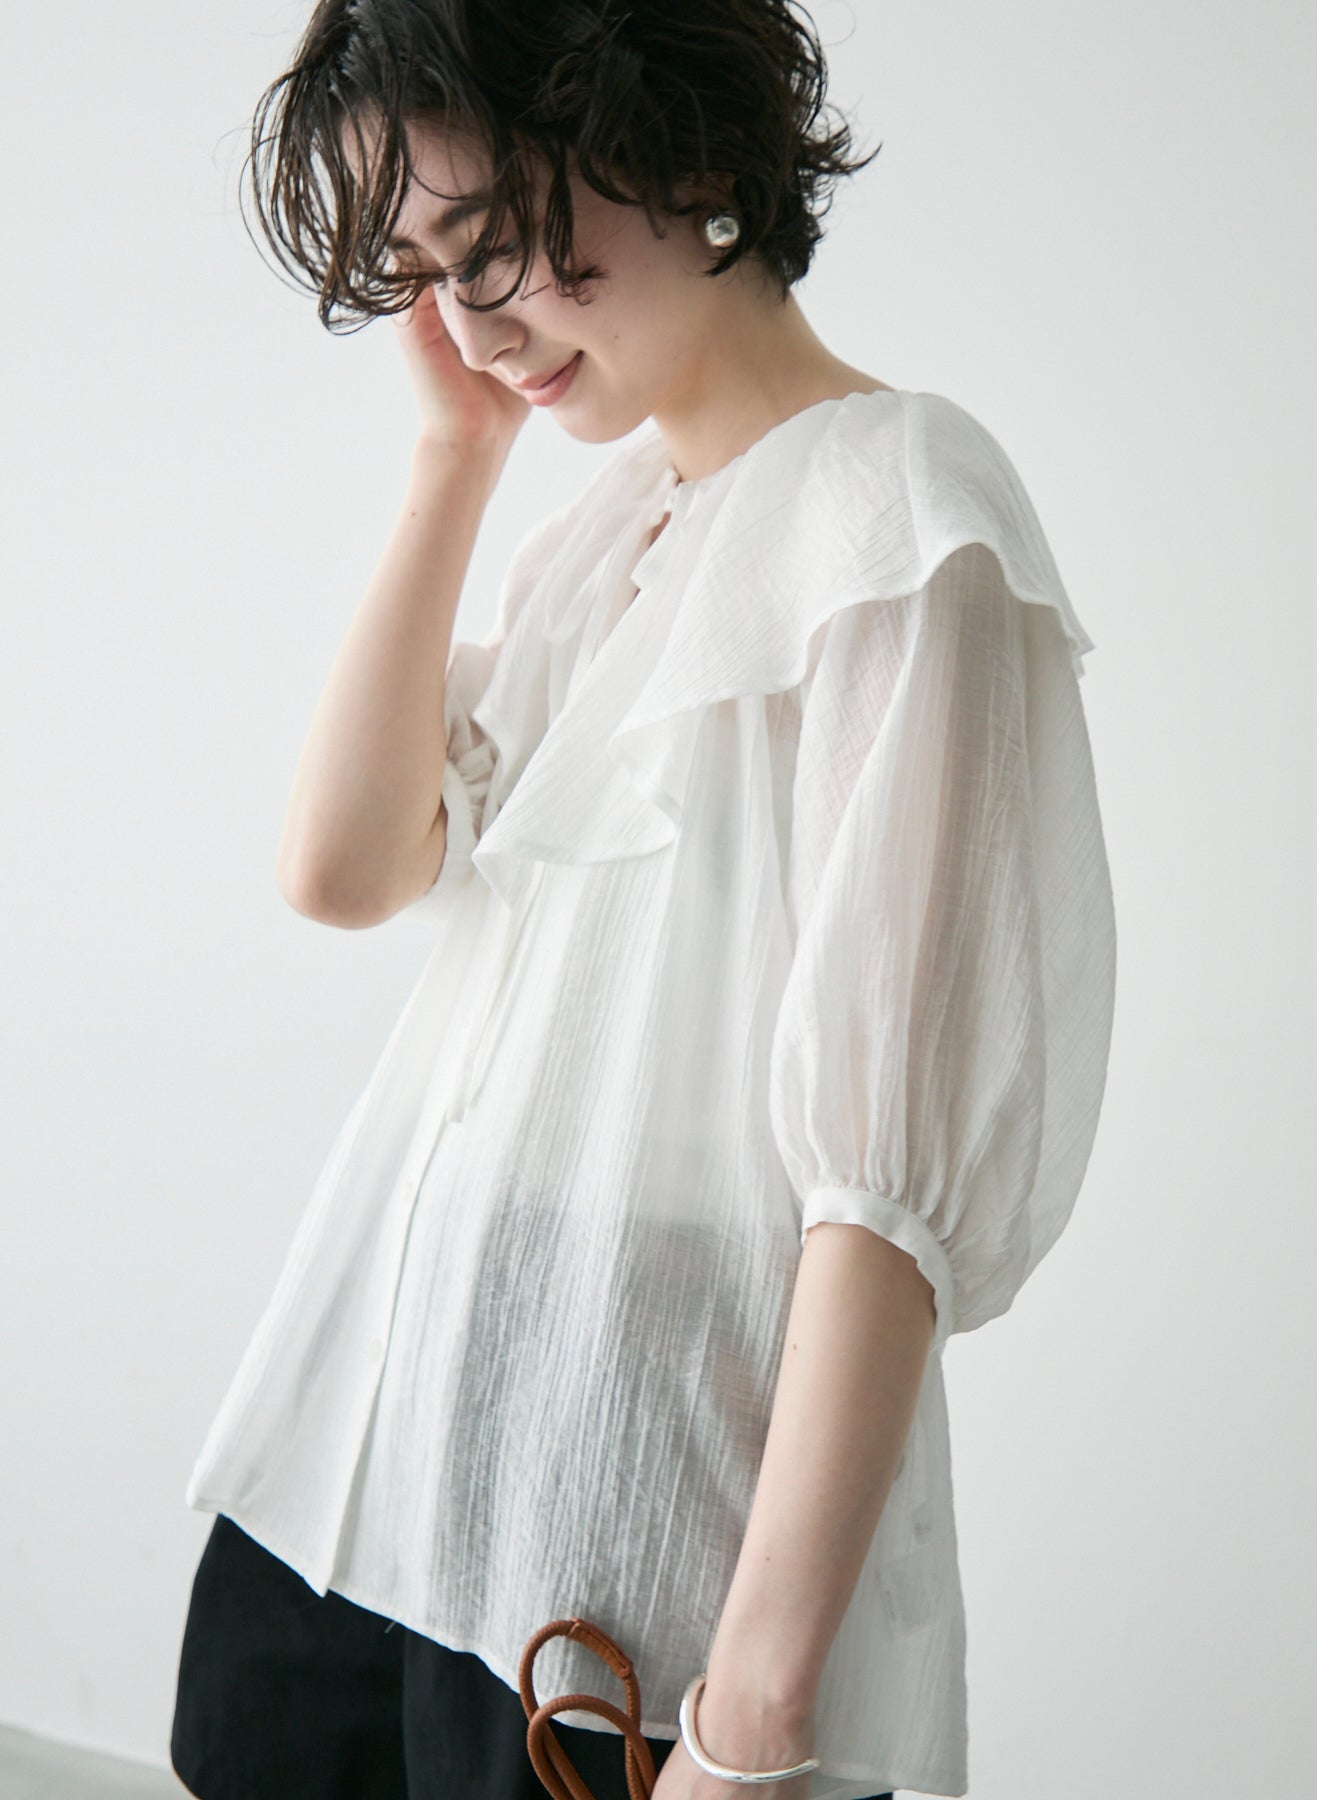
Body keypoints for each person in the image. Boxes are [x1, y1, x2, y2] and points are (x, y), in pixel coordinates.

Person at [170, 2, 1117, 1797]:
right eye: (423, 279)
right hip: (388, 1458)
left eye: (492, 248)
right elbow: (345, 867)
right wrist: (455, 458)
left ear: (670, 143)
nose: (471, 326)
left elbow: (883, 1180)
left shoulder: (904, 512)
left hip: (626, 1545)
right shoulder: (610, 531)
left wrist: (753, 1715)